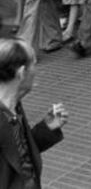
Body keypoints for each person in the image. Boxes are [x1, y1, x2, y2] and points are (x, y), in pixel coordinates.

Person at [0, 38, 68, 189]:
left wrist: (49, 126)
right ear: (22, 73)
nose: (36, 71)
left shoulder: (14, 106)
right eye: (34, 64)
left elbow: (19, 152)